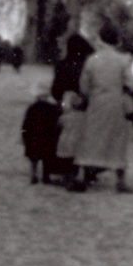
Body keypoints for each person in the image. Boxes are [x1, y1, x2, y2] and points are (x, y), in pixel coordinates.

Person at [68, 21, 133, 194]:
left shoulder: (92, 60)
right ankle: (121, 181)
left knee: (91, 139)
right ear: (116, 41)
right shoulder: (123, 60)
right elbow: (132, 84)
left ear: (101, 39)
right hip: (116, 103)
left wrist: (87, 95)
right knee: (117, 141)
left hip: (96, 102)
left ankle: (83, 178)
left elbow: (84, 86)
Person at [51, 33, 95, 186]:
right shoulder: (87, 65)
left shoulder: (62, 65)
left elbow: (55, 90)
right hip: (87, 107)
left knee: (65, 137)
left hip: (67, 106)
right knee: (88, 139)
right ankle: (89, 172)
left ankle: (66, 171)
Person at [21, 82, 62, 185]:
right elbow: (57, 124)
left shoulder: (32, 107)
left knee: (34, 158)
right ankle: (45, 176)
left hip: (33, 137)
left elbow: (26, 124)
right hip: (47, 138)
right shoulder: (53, 108)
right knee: (46, 158)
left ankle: (34, 174)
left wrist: (24, 135)